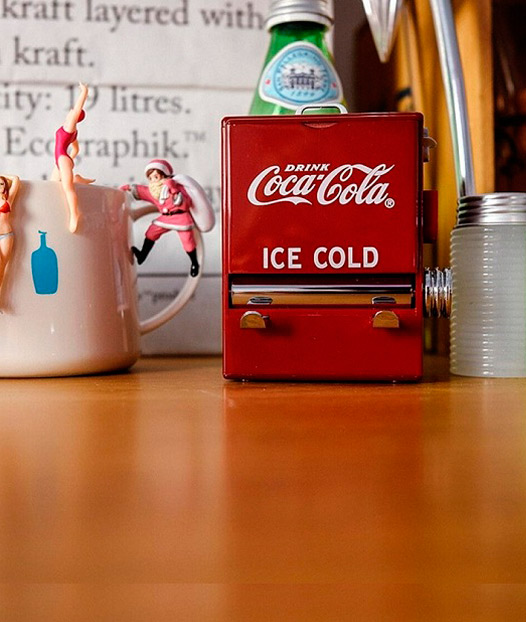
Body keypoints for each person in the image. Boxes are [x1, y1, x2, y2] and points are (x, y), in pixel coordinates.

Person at [120, 159, 200, 277]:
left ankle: (194, 263)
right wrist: (127, 187)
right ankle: (142, 255)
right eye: (151, 178)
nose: (153, 180)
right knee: (151, 233)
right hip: (165, 218)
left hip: (180, 217)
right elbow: (142, 190)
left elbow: (185, 202)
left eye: (156, 177)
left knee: (187, 241)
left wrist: (174, 190)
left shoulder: (177, 188)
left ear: (164, 176)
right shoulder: (154, 192)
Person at [51, 82, 94, 233]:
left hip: (62, 159)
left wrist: (84, 92)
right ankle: (78, 179)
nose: (70, 111)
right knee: (51, 184)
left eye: (73, 113)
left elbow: (77, 108)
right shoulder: (72, 131)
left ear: (75, 117)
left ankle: (75, 213)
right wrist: (70, 159)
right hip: (63, 160)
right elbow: (76, 148)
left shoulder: (70, 126)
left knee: (67, 188)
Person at [0, 174, 20, 294]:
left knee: (3, 268)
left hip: (7, 235)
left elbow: (16, 179)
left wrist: (2, 175)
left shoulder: (8, 199)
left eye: (2, 184)